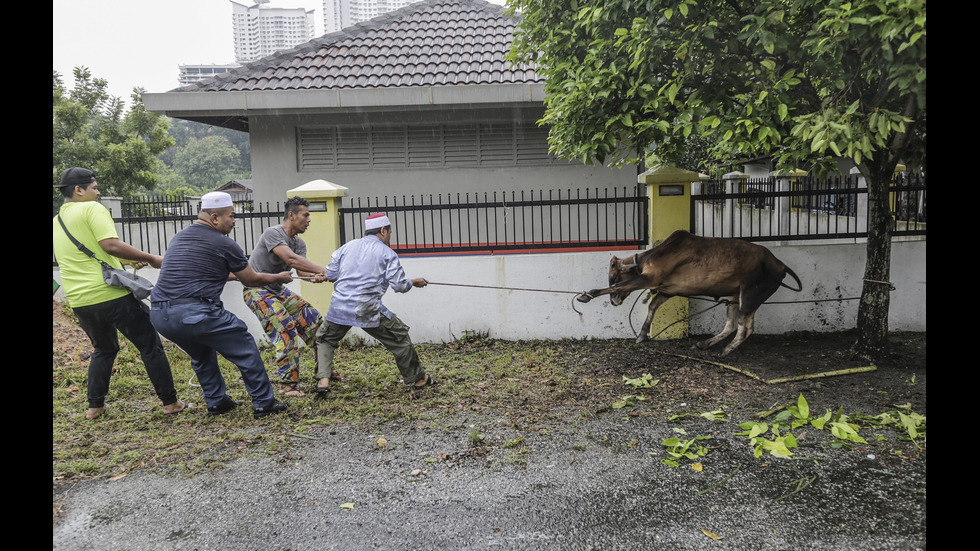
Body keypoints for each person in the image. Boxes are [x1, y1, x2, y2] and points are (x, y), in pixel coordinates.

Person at [52, 167, 192, 420]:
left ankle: (94, 408)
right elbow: (110, 244)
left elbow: (92, 254)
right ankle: (170, 403)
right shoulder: (93, 209)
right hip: (111, 295)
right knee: (150, 345)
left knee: (103, 349)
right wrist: (150, 258)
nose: (98, 192)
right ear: (78, 190)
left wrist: (127, 263)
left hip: (80, 300)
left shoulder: (57, 220)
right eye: (94, 187)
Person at [148, 191, 291, 418]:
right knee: (243, 343)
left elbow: (201, 274)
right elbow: (251, 279)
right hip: (195, 312)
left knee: (201, 351)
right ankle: (264, 402)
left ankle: (216, 401)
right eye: (231, 216)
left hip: (159, 315)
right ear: (215, 218)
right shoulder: (225, 244)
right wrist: (278, 277)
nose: (234, 221)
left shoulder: (179, 238)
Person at [313, 212, 434, 394]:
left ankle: (323, 381)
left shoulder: (348, 247)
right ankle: (419, 379)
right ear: (383, 230)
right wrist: (413, 282)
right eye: (390, 232)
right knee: (399, 338)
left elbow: (331, 274)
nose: (390, 236)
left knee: (325, 338)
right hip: (367, 308)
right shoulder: (387, 253)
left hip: (339, 306)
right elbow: (400, 285)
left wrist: (325, 276)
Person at [243, 196, 329, 398]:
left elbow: (302, 268)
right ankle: (287, 386)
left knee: (316, 323)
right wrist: (326, 270)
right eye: (306, 215)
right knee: (286, 329)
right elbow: (290, 259)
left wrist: (315, 277)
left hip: (278, 291)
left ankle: (324, 371)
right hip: (256, 291)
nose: (309, 220)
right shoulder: (273, 233)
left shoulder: (299, 243)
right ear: (291, 215)